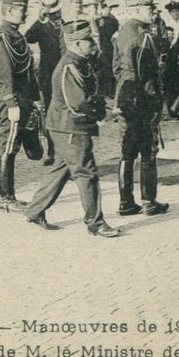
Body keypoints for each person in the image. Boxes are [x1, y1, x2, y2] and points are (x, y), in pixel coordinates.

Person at [24, 20, 121, 237]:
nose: (93, 45)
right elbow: (78, 103)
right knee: (87, 172)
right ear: (77, 44)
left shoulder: (80, 61)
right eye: (89, 41)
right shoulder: (70, 66)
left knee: (61, 168)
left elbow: (88, 93)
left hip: (63, 126)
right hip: (71, 128)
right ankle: (96, 223)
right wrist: (103, 113)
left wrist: (104, 106)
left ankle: (34, 211)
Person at [112, 0, 169, 216]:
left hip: (124, 99)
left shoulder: (121, 33)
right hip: (142, 102)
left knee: (127, 152)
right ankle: (149, 202)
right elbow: (146, 77)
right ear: (136, 9)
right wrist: (155, 103)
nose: (153, 11)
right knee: (147, 151)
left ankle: (126, 202)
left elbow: (116, 69)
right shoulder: (144, 37)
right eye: (149, 7)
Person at [0, 0, 44, 210]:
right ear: (10, 10)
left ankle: (4, 194)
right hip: (9, 99)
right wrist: (11, 104)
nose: (25, 15)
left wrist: (34, 98)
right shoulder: (3, 35)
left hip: (21, 98)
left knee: (13, 144)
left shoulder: (16, 35)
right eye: (22, 10)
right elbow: (4, 74)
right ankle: (4, 197)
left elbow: (28, 71)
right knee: (8, 145)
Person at [25, 0, 65, 166]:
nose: (56, 15)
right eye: (52, 13)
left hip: (64, 75)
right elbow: (28, 37)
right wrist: (40, 20)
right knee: (49, 113)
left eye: (57, 13)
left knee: (63, 113)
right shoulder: (42, 26)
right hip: (47, 76)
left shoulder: (66, 26)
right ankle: (52, 152)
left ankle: (63, 154)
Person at [95, 0, 120, 98]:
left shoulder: (113, 21)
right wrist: (100, 27)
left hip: (111, 47)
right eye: (105, 9)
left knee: (110, 69)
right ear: (101, 9)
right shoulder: (97, 21)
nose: (107, 11)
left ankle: (110, 91)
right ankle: (102, 91)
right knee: (101, 69)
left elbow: (115, 32)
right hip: (101, 47)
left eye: (108, 9)